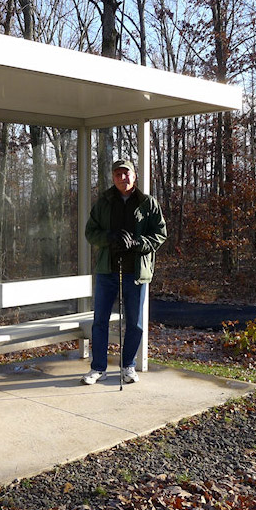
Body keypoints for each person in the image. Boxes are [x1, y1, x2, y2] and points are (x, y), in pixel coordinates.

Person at [82, 159, 167, 385]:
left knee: (135, 322)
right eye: (118, 174)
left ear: (134, 176)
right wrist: (109, 238)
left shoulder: (148, 203)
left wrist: (137, 242)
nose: (122, 178)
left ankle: (128, 365)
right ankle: (98, 368)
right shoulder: (104, 202)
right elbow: (90, 232)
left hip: (135, 272)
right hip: (107, 270)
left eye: (126, 173)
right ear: (113, 177)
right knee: (100, 320)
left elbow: (160, 235)